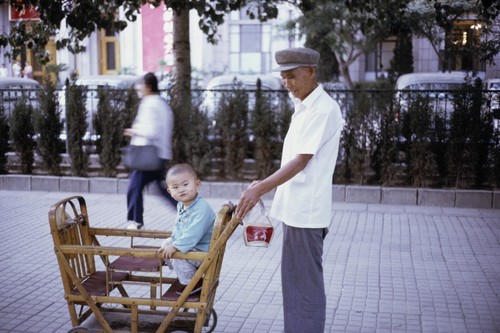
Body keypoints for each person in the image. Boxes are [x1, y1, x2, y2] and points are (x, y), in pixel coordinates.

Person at [235, 47, 344, 333]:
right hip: (297, 211)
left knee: (304, 288)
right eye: (283, 78)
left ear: (311, 72)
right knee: (295, 286)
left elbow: (300, 162)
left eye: (292, 76)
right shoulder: (305, 106)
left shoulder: (322, 109)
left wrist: (259, 189)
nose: (287, 84)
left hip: (306, 213)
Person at [124, 72, 176, 229]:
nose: (139, 90)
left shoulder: (149, 104)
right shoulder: (162, 104)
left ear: (148, 87)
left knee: (134, 187)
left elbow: (151, 131)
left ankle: (136, 221)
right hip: (160, 154)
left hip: (147, 155)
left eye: (141, 86)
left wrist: (135, 131)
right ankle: (191, 214)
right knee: (163, 189)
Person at [158, 163, 215, 294]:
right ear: (170, 192)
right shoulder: (182, 205)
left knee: (177, 255)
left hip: (203, 253)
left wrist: (176, 246)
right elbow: (179, 228)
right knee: (166, 243)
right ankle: (185, 272)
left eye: (185, 184)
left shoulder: (202, 208)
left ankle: (191, 284)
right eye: (175, 187)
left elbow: (193, 234)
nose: (181, 190)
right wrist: (172, 242)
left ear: (197, 184)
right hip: (195, 247)